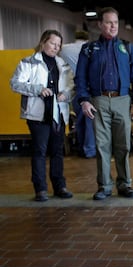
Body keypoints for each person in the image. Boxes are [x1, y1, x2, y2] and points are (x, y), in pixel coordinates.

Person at [75, 7, 133, 200]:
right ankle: (104, 186)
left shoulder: (127, 47)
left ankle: (124, 184)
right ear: (100, 24)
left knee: (123, 145)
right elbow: (80, 78)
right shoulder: (89, 49)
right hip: (99, 101)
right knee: (102, 145)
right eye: (108, 22)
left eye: (115, 22)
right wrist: (84, 101)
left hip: (123, 100)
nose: (113, 26)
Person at [10, 29, 74, 202]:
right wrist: (38, 89)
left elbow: (71, 88)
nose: (56, 47)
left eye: (58, 45)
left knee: (57, 152)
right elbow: (15, 84)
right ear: (43, 41)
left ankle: (60, 186)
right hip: (37, 115)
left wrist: (65, 95)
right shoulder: (29, 62)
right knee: (39, 151)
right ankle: (41, 189)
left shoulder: (63, 64)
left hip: (58, 113)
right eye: (53, 43)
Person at [60, 30, 96, 158]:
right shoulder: (91, 48)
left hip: (72, 87)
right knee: (90, 119)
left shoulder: (64, 49)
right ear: (87, 38)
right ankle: (90, 150)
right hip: (89, 87)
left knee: (79, 119)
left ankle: (81, 147)